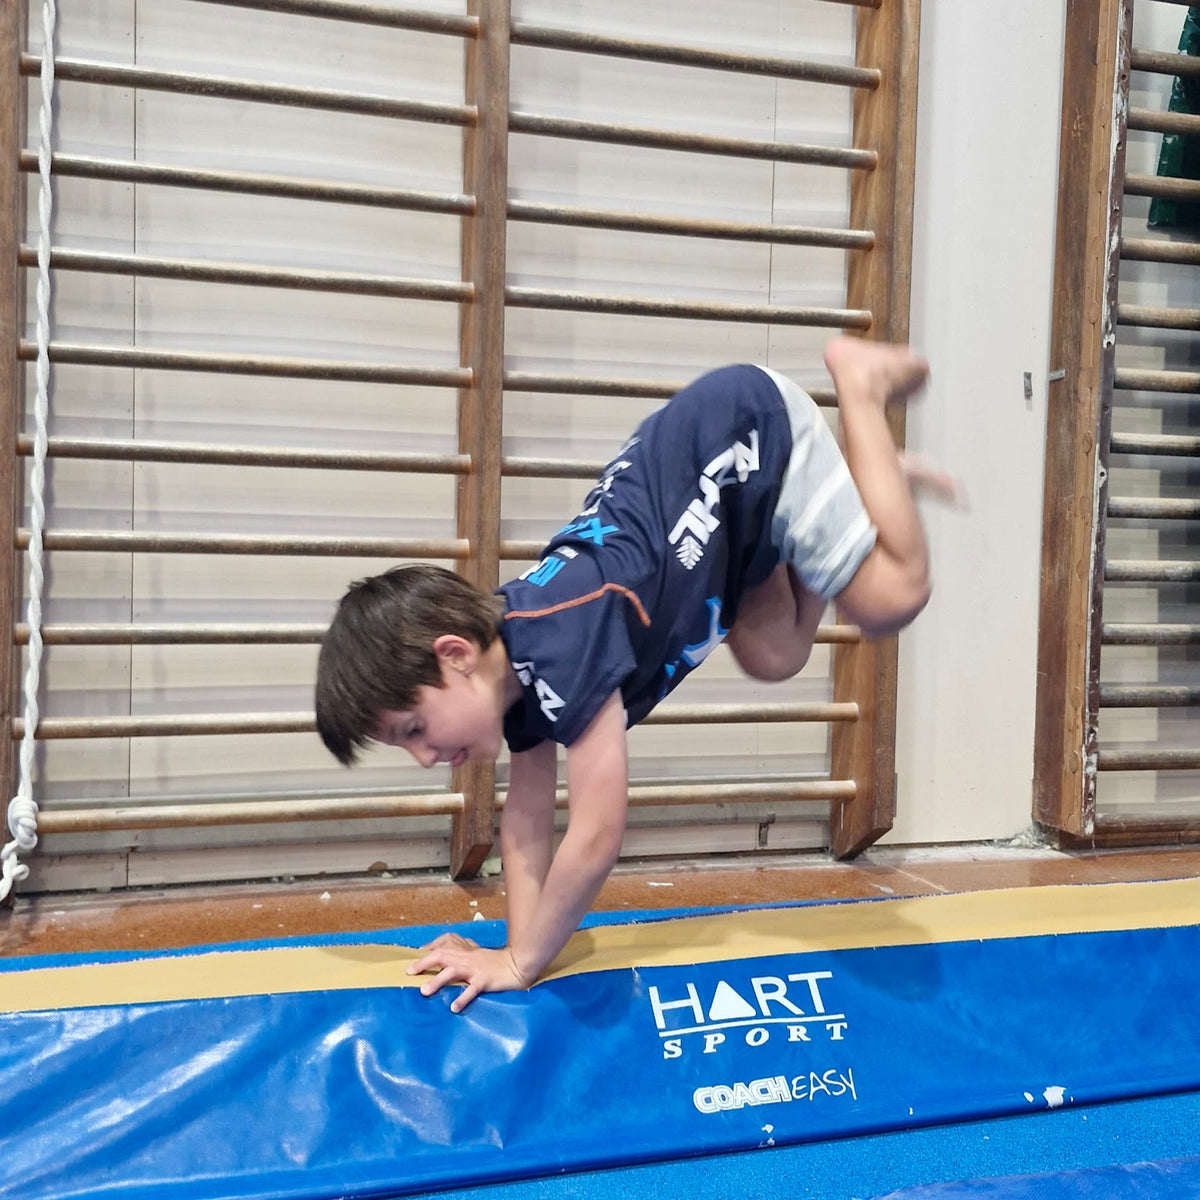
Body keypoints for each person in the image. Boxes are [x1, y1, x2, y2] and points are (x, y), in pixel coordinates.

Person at [315, 336, 956, 1012]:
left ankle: (859, 385)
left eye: (414, 728)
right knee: (776, 657)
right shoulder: (511, 663)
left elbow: (596, 829)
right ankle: (859, 485)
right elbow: (526, 822)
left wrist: (522, 961)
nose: (423, 757)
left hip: (747, 434)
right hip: (731, 523)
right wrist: (514, 946)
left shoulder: (564, 643)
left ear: (455, 655)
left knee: (892, 597)